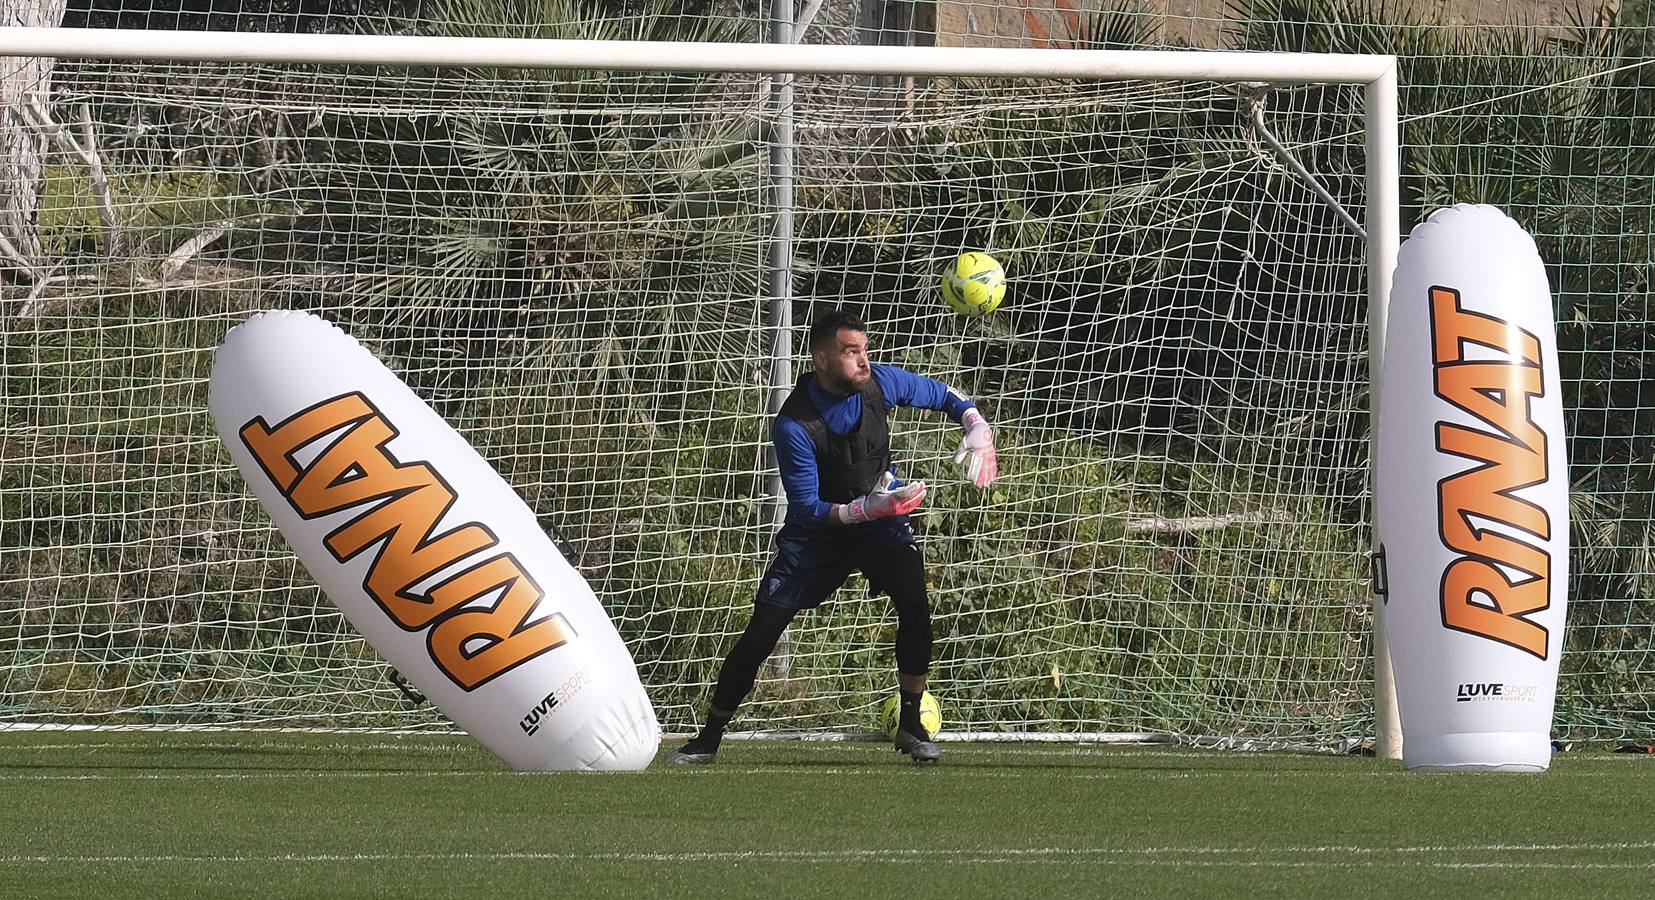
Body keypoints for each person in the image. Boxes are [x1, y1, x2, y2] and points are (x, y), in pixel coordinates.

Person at [667, 309, 998, 765]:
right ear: (821, 360)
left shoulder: (879, 382)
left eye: (864, 350)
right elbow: (807, 508)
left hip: (880, 521)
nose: (863, 361)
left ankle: (910, 723)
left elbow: (944, 394)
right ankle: (708, 739)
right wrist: (867, 508)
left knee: (915, 600)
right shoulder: (794, 425)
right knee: (761, 635)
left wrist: (976, 424)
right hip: (818, 538)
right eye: (850, 352)